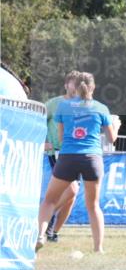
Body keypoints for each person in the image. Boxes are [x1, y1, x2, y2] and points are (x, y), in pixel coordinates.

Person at [36, 73, 120, 253]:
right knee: (93, 205)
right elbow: (112, 138)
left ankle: (40, 235)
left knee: (49, 201)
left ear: (74, 87)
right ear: (93, 87)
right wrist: (116, 126)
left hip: (67, 157)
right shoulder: (101, 108)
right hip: (92, 158)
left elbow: (60, 138)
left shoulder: (63, 106)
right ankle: (98, 248)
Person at [43, 71, 82, 243]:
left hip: (77, 153)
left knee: (71, 197)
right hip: (58, 152)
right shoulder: (54, 103)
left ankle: (53, 232)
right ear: (66, 85)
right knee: (72, 190)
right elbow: (37, 120)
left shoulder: (83, 105)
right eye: (73, 83)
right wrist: (44, 142)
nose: (76, 87)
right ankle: (44, 216)